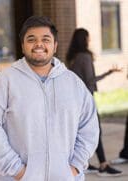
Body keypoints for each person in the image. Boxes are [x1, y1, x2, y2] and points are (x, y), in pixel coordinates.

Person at [0, 16, 99, 181]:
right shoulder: (6, 81)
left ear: (55, 46)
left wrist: (75, 166)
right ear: (23, 46)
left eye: (45, 39)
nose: (39, 44)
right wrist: (17, 171)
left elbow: (89, 127)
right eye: (31, 39)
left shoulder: (73, 83)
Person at [66, 28, 122, 177]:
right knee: (95, 130)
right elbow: (90, 80)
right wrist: (108, 74)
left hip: (73, 99)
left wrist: (109, 72)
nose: (89, 40)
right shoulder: (85, 56)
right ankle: (103, 164)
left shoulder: (72, 57)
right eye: (88, 38)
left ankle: (84, 163)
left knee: (79, 132)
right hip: (85, 100)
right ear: (84, 39)